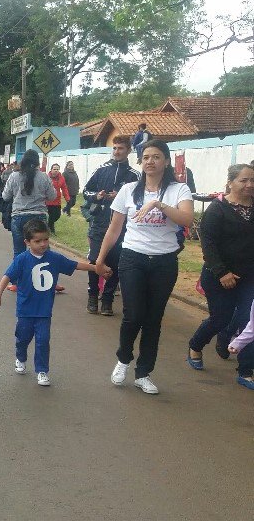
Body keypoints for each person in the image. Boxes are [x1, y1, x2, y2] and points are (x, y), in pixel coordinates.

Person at [95, 139, 194, 395]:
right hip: (133, 258)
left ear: (167, 161)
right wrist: (100, 258)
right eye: (146, 156)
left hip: (164, 261)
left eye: (156, 156)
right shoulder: (129, 190)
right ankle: (123, 359)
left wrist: (158, 204)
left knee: (153, 319)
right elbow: (114, 228)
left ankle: (144, 372)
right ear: (141, 161)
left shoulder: (179, 189)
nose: (150, 161)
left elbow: (186, 219)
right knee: (134, 314)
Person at [0, 219, 99, 386]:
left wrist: (96, 268)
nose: (43, 244)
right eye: (37, 241)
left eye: (45, 239)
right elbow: (7, 276)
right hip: (25, 311)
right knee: (23, 338)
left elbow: (75, 265)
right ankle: (20, 356)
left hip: (44, 311)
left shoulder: (54, 258)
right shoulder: (22, 259)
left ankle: (42, 370)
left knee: (43, 340)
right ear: (27, 242)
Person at [187, 164, 254, 383]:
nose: (249, 185)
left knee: (248, 321)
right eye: (243, 180)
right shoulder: (217, 209)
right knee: (220, 318)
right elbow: (209, 245)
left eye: (252, 180)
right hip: (218, 276)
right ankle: (196, 345)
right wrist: (222, 272)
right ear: (231, 182)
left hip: (249, 276)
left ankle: (245, 371)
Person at [82, 136, 140, 315]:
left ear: (129, 150)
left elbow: (140, 200)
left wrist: (120, 197)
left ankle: (107, 299)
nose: (117, 152)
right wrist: (97, 196)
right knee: (94, 261)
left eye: (121, 148)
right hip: (99, 224)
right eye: (114, 148)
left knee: (116, 264)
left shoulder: (135, 175)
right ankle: (93, 296)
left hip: (122, 228)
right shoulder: (101, 169)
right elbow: (86, 191)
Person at [2, 150, 56, 259]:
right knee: (43, 251)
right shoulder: (44, 177)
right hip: (39, 216)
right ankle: (43, 274)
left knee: (19, 253)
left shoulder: (14, 176)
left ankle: (19, 275)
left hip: (18, 217)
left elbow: (5, 196)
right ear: (37, 162)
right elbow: (52, 196)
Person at [46, 163, 70, 235]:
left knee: (57, 215)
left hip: (57, 200)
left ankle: (48, 226)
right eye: (54, 169)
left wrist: (67, 198)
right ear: (51, 170)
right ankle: (51, 230)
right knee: (51, 216)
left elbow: (64, 188)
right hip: (48, 201)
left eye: (57, 169)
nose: (56, 171)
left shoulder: (61, 177)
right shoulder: (47, 177)